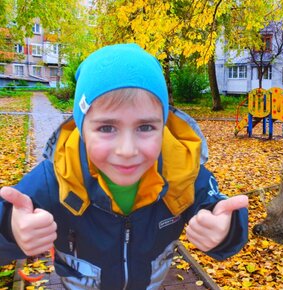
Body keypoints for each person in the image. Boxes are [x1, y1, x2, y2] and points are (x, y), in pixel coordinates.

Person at [0, 43, 248, 289]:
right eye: (107, 128)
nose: (127, 150)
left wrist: (225, 231)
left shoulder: (183, 173)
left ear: (163, 125)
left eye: (145, 127)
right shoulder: (57, 177)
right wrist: (11, 228)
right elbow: (9, 221)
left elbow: (217, 209)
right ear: (81, 128)